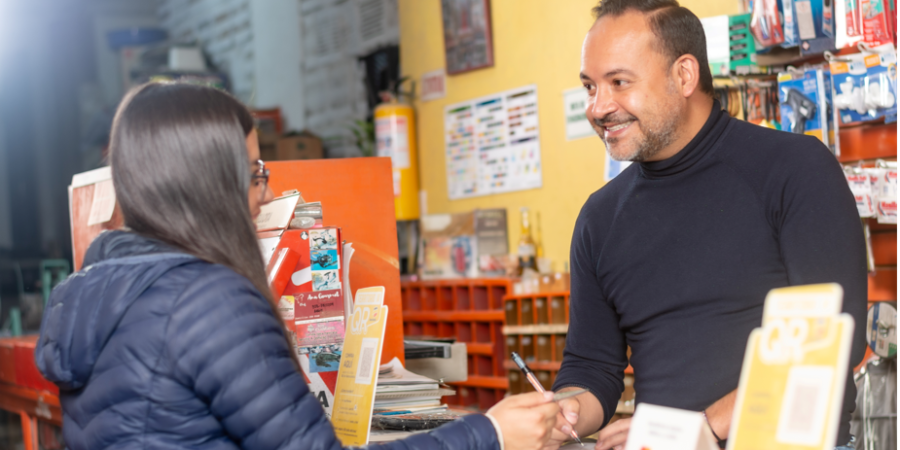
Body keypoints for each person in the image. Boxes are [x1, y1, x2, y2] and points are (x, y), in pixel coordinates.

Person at [34, 82, 560, 450]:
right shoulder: (208, 301)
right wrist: (491, 434)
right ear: (210, 184)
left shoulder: (87, 293)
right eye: (254, 174)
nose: (265, 194)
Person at [546, 2, 867, 450]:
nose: (598, 108)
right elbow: (592, 366)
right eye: (589, 87)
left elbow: (828, 344)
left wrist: (702, 428)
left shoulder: (794, 170)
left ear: (684, 75)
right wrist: (560, 414)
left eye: (619, 82)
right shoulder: (599, 219)